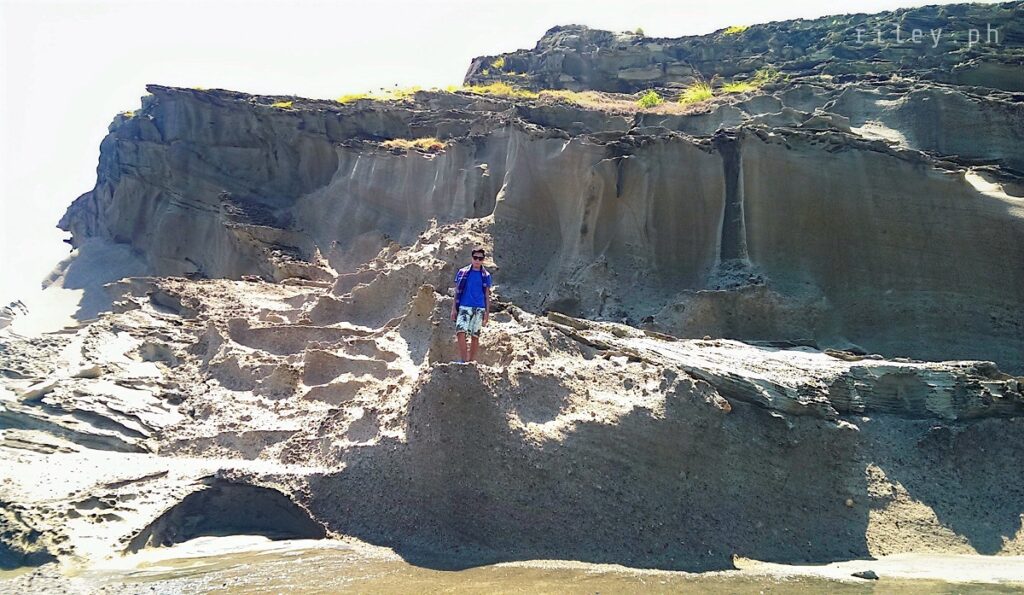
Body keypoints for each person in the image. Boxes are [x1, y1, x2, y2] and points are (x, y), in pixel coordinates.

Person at [451, 247, 492, 363]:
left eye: (480, 258)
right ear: (472, 258)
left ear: (483, 259)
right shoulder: (462, 272)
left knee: (475, 336)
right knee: (460, 332)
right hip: (464, 306)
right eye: (475, 258)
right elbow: (457, 291)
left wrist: (487, 314)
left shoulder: (486, 275)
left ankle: (471, 362)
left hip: (479, 308)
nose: (477, 260)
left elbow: (487, 295)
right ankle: (464, 360)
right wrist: (454, 309)